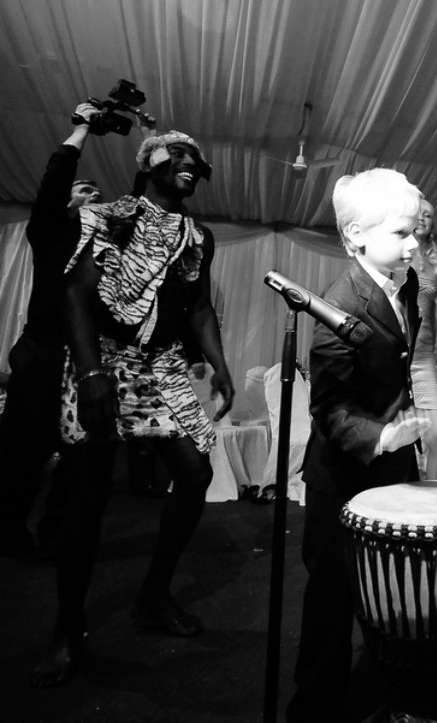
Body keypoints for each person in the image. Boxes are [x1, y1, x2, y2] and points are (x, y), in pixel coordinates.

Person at [32, 129, 235, 688]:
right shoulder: (108, 216)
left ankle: (153, 595)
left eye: (196, 159)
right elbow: (76, 293)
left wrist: (219, 364)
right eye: (178, 155)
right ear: (149, 165)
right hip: (102, 356)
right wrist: (91, 372)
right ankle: (67, 629)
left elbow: (199, 308)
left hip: (162, 363)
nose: (190, 163)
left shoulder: (198, 236)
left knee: (195, 472)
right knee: (88, 492)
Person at [286, 169, 431, 723]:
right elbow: (330, 409)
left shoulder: (404, 282)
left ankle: (388, 692)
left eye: (414, 231)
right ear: (355, 237)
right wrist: (383, 436)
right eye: (401, 233)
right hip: (342, 478)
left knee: (390, 591)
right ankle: (314, 708)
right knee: (332, 597)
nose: (414, 243)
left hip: (391, 468)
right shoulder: (337, 304)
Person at [0, 102, 104, 558]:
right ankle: (9, 529)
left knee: (79, 455)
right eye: (83, 190)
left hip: (86, 357)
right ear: (66, 200)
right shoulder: (48, 231)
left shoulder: (104, 246)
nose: (92, 196)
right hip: (42, 351)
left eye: (96, 193)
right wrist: (82, 129)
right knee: (23, 448)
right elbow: (56, 177)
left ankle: (57, 533)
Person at [410, 196, 437, 479]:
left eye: (428, 215)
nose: (423, 218)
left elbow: (430, 315)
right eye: (418, 213)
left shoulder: (432, 260)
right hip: (396, 355)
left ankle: (434, 501)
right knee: (392, 443)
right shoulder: (396, 254)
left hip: (424, 358)